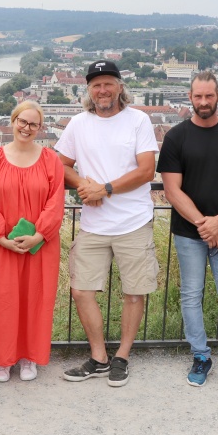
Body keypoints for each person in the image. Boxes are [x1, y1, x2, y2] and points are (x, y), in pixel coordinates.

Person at [56, 60, 159, 388]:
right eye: (96, 85)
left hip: (133, 221)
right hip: (94, 224)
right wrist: (84, 185)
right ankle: (99, 356)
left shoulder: (138, 120)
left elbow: (147, 170)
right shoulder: (78, 123)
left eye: (108, 83)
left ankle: (122, 356)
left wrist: (106, 188)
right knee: (81, 290)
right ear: (88, 89)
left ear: (119, 86)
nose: (102, 90)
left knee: (133, 292)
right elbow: (60, 164)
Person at [157, 71, 218, 398]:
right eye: (198, 97)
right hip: (189, 234)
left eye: (208, 96)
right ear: (190, 97)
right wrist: (205, 224)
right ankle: (201, 357)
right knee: (191, 296)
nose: (203, 102)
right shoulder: (176, 137)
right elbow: (172, 191)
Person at [0, 101, 65, 382]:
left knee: (34, 299)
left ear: (40, 128)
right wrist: (1, 238)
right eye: (22, 122)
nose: (27, 128)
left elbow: (56, 201)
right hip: (2, 245)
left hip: (40, 245)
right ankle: (1, 359)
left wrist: (39, 234)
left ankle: (28, 357)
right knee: (2, 300)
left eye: (33, 124)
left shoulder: (51, 160)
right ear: (13, 122)